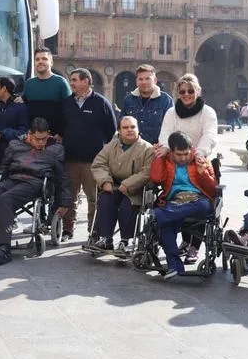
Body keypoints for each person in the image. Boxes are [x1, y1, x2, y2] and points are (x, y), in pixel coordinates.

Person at [0, 118, 72, 266]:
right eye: (37, 139)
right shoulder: (16, 145)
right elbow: (4, 167)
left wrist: (65, 202)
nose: (41, 142)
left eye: (44, 139)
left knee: (6, 199)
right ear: (29, 134)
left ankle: (4, 247)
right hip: (14, 178)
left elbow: (62, 177)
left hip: (36, 182)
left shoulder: (55, 150)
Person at [156, 73, 218, 263]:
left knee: (198, 195)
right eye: (182, 91)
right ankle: (184, 241)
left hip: (201, 158)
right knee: (180, 196)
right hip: (176, 160)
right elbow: (165, 134)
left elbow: (210, 135)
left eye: (191, 91)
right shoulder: (171, 112)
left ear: (197, 91)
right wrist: (165, 149)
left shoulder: (207, 112)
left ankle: (194, 245)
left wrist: (199, 153)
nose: (186, 94)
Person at [149, 131, 217, 279]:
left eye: (186, 153)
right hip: (175, 201)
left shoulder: (201, 159)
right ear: (171, 151)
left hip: (198, 200)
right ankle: (174, 265)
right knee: (166, 225)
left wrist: (202, 172)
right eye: (179, 154)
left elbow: (213, 189)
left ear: (191, 148)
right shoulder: (166, 159)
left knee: (200, 207)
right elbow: (156, 178)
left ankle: (161, 215)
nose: (183, 157)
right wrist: (159, 158)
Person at [59, 68, 117, 241]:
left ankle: (94, 232)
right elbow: (60, 128)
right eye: (71, 80)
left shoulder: (101, 103)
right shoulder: (66, 103)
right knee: (70, 197)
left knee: (94, 199)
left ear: (86, 81)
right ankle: (67, 230)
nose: (72, 83)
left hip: (93, 162)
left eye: (75, 80)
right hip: (70, 160)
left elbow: (111, 131)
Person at [88, 116, 154, 255]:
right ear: (119, 130)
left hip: (134, 189)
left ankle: (125, 241)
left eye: (132, 127)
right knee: (105, 200)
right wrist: (105, 181)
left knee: (127, 205)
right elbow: (98, 164)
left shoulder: (147, 149)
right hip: (112, 185)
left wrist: (127, 185)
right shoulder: (111, 146)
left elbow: (146, 172)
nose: (129, 130)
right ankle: (106, 239)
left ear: (138, 129)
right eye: (125, 127)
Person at [22, 47, 71, 136]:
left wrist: (61, 134)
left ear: (51, 63)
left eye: (44, 59)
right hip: (33, 138)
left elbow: (69, 111)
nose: (40, 61)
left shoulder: (61, 82)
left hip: (55, 137)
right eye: (37, 59)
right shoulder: (29, 83)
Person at [121, 64, 174, 145]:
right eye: (140, 79)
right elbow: (121, 125)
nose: (144, 82)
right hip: (132, 149)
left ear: (155, 80)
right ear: (136, 81)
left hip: (156, 151)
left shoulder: (166, 101)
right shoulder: (128, 100)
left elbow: (170, 128)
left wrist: (164, 146)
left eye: (147, 79)